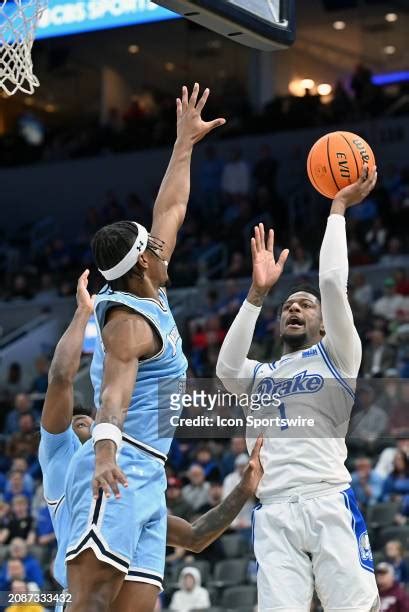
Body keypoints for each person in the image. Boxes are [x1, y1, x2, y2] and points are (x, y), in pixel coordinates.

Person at [39, 271, 263, 603]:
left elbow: (196, 536)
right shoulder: (60, 455)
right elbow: (60, 378)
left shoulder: (135, 486)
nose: (88, 423)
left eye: (90, 419)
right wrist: (83, 313)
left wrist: (245, 489)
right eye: (81, 423)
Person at [216, 167, 380, 611]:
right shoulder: (260, 375)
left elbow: (330, 283)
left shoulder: (339, 355)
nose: (294, 308)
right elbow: (226, 366)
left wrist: (338, 208)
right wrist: (255, 294)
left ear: (324, 321)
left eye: (305, 305)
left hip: (327, 499)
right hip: (273, 512)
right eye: (288, 305)